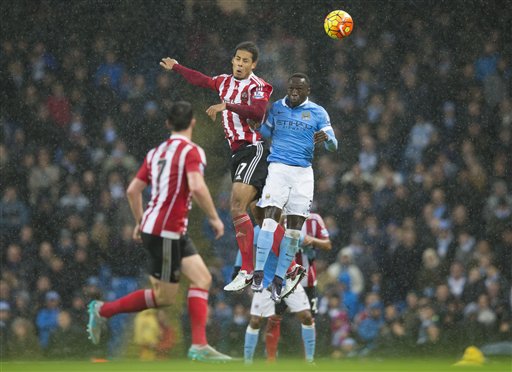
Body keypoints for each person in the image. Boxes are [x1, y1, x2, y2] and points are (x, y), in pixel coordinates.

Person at [86, 101, 231, 362]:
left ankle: (199, 344)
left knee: (202, 279)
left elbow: (133, 190)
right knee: (165, 297)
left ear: (167, 124)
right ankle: (102, 310)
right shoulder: (192, 151)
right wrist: (214, 218)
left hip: (165, 228)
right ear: (193, 123)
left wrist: (142, 221)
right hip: (166, 230)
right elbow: (197, 186)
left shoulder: (156, 153)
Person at [160, 41, 273, 292]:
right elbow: (201, 80)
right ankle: (286, 264)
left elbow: (257, 112)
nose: (240, 64)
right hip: (237, 153)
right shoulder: (223, 82)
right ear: (232, 60)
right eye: (237, 59)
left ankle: (246, 270)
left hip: (252, 149)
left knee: (236, 206)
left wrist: (227, 105)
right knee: (260, 216)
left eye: (246, 61)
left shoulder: (259, 86)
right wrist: (177, 67)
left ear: (253, 64)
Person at [250, 73, 338, 302]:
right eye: (291, 88)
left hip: (303, 174)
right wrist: (256, 127)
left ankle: (279, 280)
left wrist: (326, 139)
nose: (294, 92)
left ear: (307, 91)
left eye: (298, 89)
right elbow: (266, 133)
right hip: (278, 168)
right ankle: (258, 274)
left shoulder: (318, 112)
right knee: (269, 219)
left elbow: (333, 145)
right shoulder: (277, 108)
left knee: (294, 230)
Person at [243, 225, 316, 364]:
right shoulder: (259, 230)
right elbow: (251, 255)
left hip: (289, 280)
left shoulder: (291, 231)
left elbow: (306, 244)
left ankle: (310, 361)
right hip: (266, 282)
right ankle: (247, 363)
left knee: (306, 317)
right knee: (255, 321)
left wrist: (308, 245)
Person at [264, 212, 332, 360]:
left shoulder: (314, 219)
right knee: (274, 317)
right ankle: (270, 359)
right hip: (284, 279)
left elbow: (327, 244)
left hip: (307, 281)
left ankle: (308, 361)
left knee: (308, 319)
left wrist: (311, 240)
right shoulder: (282, 219)